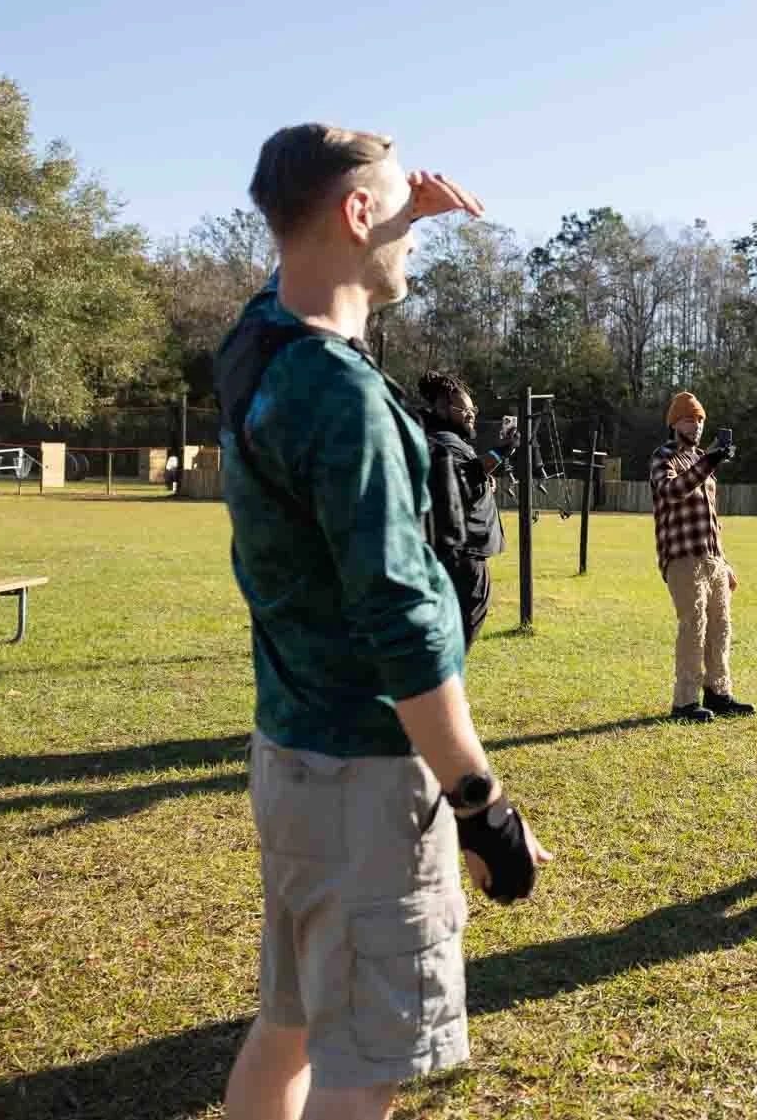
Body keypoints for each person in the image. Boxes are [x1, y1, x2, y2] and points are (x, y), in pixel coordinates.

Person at [213, 123, 550, 1120]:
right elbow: (403, 626)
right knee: (363, 1070)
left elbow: (305, 274)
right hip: (367, 784)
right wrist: (481, 804)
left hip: (293, 760)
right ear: (357, 213)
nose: (411, 236)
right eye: (392, 213)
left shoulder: (256, 347)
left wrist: (396, 215)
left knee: (290, 1026)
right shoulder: (344, 400)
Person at [649, 390, 753, 722]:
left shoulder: (702, 463)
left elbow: (712, 520)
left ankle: (719, 693)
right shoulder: (663, 457)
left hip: (712, 559)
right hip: (682, 556)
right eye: (688, 419)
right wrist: (710, 461)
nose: (695, 425)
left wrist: (724, 562)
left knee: (720, 627)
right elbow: (671, 491)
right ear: (673, 423)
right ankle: (684, 703)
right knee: (694, 626)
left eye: (699, 420)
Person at [416, 370, 517, 649]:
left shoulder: (438, 438)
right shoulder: (444, 441)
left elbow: (456, 482)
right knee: (456, 639)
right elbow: (460, 479)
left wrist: (486, 480)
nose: (472, 414)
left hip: (451, 553)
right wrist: (500, 453)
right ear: (444, 407)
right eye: (467, 409)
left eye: (474, 409)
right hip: (463, 557)